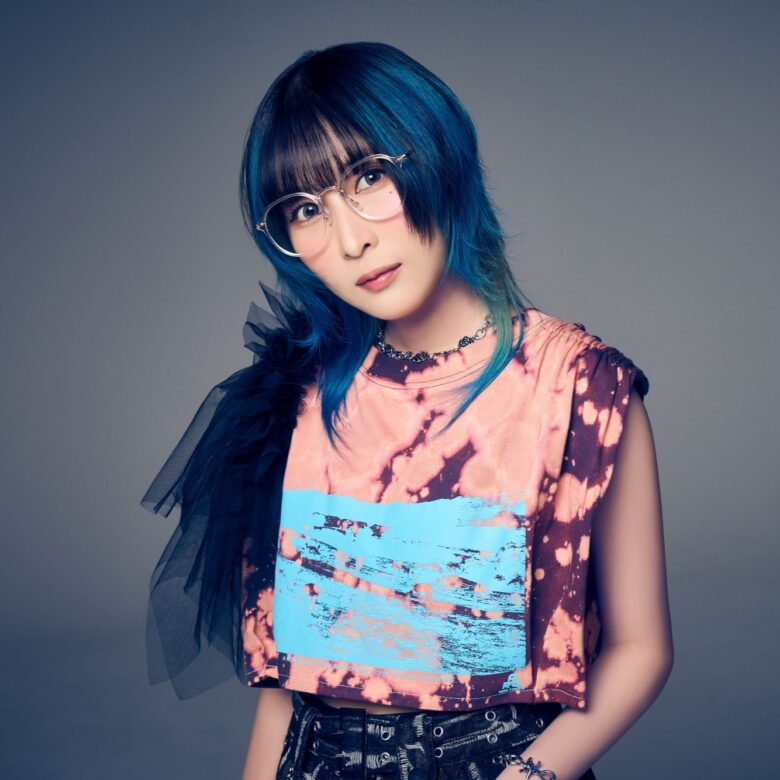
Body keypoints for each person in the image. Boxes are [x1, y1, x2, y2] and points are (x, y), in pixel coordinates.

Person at [141, 42, 673, 780]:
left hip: (506, 762)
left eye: (369, 176)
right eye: (305, 210)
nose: (351, 238)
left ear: (438, 156)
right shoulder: (288, 397)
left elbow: (642, 649)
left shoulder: (581, 386)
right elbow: (288, 687)